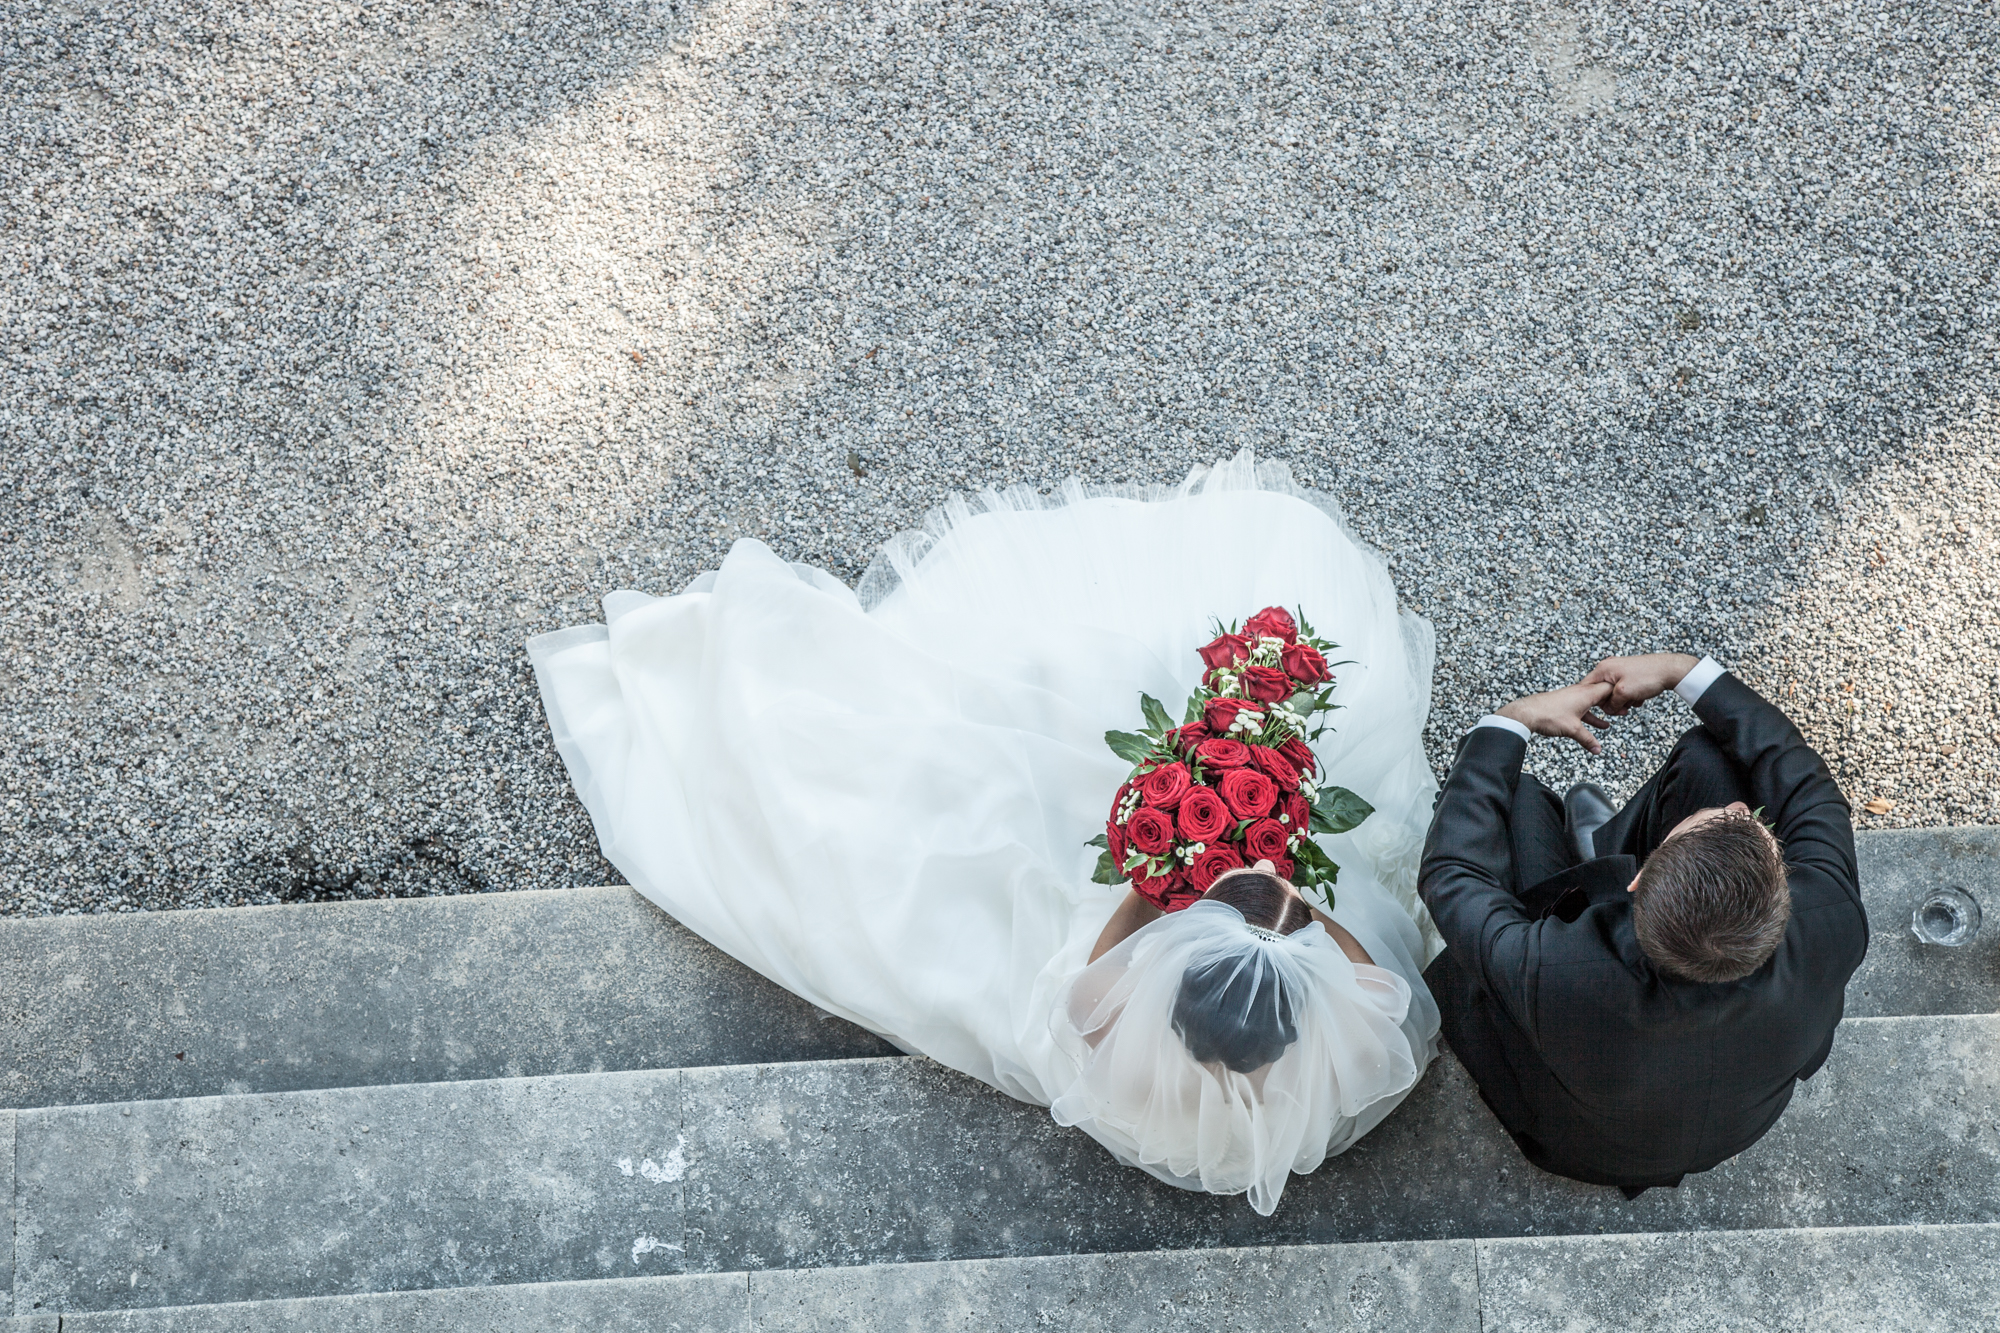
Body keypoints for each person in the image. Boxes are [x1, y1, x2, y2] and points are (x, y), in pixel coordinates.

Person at [528, 451, 1441, 1214]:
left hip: (1185, 917)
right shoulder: (1348, 1047)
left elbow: (1107, 956)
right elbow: (1367, 976)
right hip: (1243, 982)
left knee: (1017, 785)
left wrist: (1156, 863)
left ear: (1178, 977)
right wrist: (1287, 895)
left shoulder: (1103, 1029)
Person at [1419, 652, 1868, 1198]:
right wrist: (1683, 672)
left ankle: (1585, 855)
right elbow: (1805, 782)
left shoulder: (1552, 971)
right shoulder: (1829, 913)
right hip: (1726, 1122)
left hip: (1579, 1137)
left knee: (1515, 799)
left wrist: (1514, 718)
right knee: (1711, 756)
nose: (1733, 807)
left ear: (1634, 883)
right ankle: (1599, 841)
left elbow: (1454, 872)